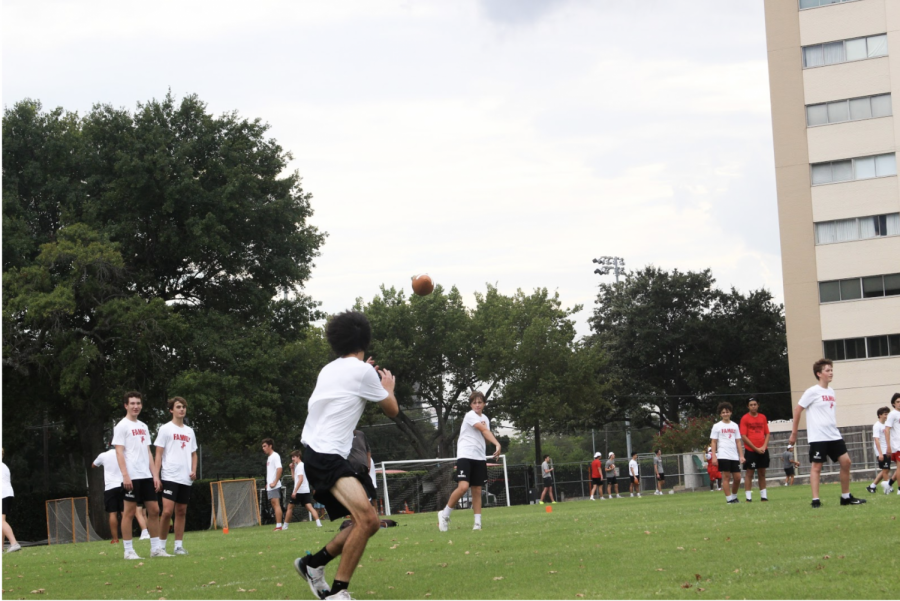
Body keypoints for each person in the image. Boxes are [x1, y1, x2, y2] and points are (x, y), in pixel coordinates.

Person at [292, 311, 399, 601]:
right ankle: (338, 593)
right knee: (366, 520)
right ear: (366, 338)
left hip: (316, 453)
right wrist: (388, 387)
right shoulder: (364, 372)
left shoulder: (329, 369)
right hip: (328, 455)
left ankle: (313, 564)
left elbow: (348, 384)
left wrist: (366, 373)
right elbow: (392, 410)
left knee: (369, 522)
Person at [789, 358, 865, 507]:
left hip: (833, 435)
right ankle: (815, 500)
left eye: (831, 370)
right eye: (827, 370)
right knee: (817, 467)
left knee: (846, 462)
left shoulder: (831, 391)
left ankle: (845, 497)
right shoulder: (812, 391)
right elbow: (798, 409)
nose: (831, 373)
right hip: (818, 436)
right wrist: (794, 433)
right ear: (819, 374)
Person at [439, 391, 502, 531]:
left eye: (480, 402)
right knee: (463, 487)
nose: (477, 405)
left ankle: (477, 524)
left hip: (479, 457)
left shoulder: (485, 418)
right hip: (465, 455)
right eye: (474, 403)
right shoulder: (470, 415)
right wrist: (497, 444)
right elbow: (484, 431)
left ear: (484, 404)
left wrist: (487, 430)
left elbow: (485, 437)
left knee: (477, 490)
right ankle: (444, 515)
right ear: (471, 404)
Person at [113, 391, 164, 559]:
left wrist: (155, 475)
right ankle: (128, 551)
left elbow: (148, 452)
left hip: (146, 476)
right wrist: (125, 475)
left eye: (138, 403)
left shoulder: (143, 426)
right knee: (129, 512)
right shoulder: (121, 426)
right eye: (132, 403)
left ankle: (156, 549)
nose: (136, 406)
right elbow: (119, 453)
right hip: (132, 476)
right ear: (126, 405)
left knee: (154, 510)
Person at [153, 397, 198, 555]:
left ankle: (178, 546)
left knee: (181, 511)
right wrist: (156, 476)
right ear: (171, 410)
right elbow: (158, 454)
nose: (182, 409)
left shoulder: (189, 431)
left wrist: (193, 470)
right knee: (166, 512)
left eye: (184, 407)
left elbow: (194, 454)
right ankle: (160, 547)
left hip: (185, 478)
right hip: (169, 476)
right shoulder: (165, 429)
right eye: (179, 407)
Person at [710, 401, 745, 504]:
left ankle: (734, 497)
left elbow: (738, 441)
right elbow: (714, 441)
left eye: (727, 412)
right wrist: (714, 456)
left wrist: (741, 455)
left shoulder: (735, 425)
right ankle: (729, 499)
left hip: (734, 455)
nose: (725, 414)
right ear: (720, 414)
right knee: (726, 477)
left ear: (731, 413)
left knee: (737, 478)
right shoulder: (717, 426)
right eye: (723, 412)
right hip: (723, 454)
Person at [92, 446, 125, 544]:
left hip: (110, 487)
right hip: (123, 484)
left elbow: (93, 465)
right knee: (124, 513)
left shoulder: (103, 455)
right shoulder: (124, 454)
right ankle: (127, 537)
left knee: (112, 513)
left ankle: (115, 539)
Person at [740, 398, 770, 502]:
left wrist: (763, 447)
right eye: (751, 405)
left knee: (762, 473)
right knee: (750, 473)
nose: (753, 406)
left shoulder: (762, 417)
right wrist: (755, 449)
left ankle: (764, 496)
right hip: (751, 450)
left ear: (758, 405)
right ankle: (748, 498)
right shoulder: (745, 418)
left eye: (755, 404)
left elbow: (767, 433)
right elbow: (743, 436)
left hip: (762, 450)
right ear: (748, 406)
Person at [284, 449, 322, 529]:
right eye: (292, 457)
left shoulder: (300, 466)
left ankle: (285, 526)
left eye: (294, 457)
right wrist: (292, 469)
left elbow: (300, 480)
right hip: (305, 490)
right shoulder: (299, 466)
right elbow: (295, 479)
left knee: (290, 508)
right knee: (310, 507)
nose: (292, 459)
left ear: (298, 457)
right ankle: (318, 523)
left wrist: (295, 491)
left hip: (299, 491)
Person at [867, 407, 891, 493]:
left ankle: (872, 486)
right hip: (881, 450)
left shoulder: (886, 425)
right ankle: (888, 488)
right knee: (885, 470)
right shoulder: (877, 425)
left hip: (887, 450)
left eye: (888, 414)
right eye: (885, 414)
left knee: (886, 469)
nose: (887, 416)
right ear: (880, 415)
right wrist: (880, 453)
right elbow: (876, 439)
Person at [262, 438, 284, 530]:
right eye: (262, 446)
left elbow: (279, 469)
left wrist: (275, 482)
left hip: (274, 486)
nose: (263, 448)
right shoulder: (269, 458)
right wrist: (268, 483)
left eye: (265, 446)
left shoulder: (275, 456)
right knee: (274, 504)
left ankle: (279, 526)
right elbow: (271, 472)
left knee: (276, 504)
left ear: (270, 446)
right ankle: (278, 525)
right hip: (270, 486)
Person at [2, 449, 21, 553]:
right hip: (8, 494)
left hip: (3, 494)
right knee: (2, 521)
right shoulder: (4, 466)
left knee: (1, 521)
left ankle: (14, 543)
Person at [881, 393, 900, 494]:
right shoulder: (892, 414)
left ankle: (888, 484)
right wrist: (889, 446)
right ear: (893, 404)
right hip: (897, 445)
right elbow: (886, 430)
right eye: (897, 402)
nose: (899, 404)